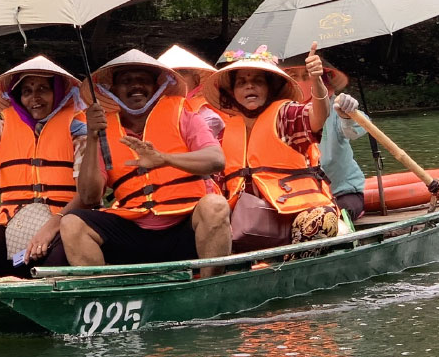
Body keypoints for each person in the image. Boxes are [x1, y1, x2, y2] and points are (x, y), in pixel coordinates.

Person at [59, 49, 232, 275]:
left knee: (215, 205)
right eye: (126, 81)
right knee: (72, 223)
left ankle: (210, 289)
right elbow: (90, 196)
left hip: (185, 226)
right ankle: (108, 295)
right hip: (135, 230)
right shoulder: (102, 130)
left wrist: (164, 159)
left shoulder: (183, 114)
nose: (136, 86)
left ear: (156, 86)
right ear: (112, 90)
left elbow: (216, 160)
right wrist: (92, 135)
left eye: (143, 80)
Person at [0, 55, 90, 278]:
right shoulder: (2, 129)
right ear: (18, 97)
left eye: (43, 89)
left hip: (59, 231)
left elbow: (88, 195)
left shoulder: (79, 133)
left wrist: (52, 227)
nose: (34, 97)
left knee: (69, 241)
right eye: (27, 91)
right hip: (10, 232)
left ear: (58, 92)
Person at [201, 43, 339, 253]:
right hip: (244, 223)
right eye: (242, 82)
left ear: (270, 88)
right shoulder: (225, 132)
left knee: (321, 219)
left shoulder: (286, 115)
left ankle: (289, 269)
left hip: (294, 214)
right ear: (233, 92)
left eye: (258, 81)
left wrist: (316, 81)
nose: (249, 86)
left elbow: (317, 118)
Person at [284, 61, 368, 220]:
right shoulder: (280, 112)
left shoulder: (334, 105)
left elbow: (356, 129)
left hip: (340, 192)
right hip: (297, 196)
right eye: (294, 76)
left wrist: (348, 113)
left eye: (307, 76)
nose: (301, 82)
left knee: (334, 216)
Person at [157, 44, 225, 139]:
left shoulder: (209, 118)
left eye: (182, 72)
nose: (175, 78)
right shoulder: (150, 111)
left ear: (196, 80)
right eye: (169, 75)